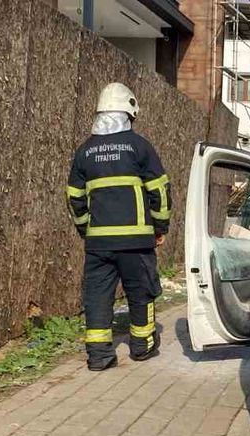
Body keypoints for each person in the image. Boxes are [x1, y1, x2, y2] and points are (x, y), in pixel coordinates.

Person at [66, 83, 171, 371]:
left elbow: (74, 197)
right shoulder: (139, 147)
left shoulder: (84, 152)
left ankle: (99, 356)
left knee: (97, 296)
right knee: (141, 292)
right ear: (129, 112)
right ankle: (142, 347)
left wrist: (86, 230)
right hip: (136, 242)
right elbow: (159, 190)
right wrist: (160, 226)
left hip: (99, 244)